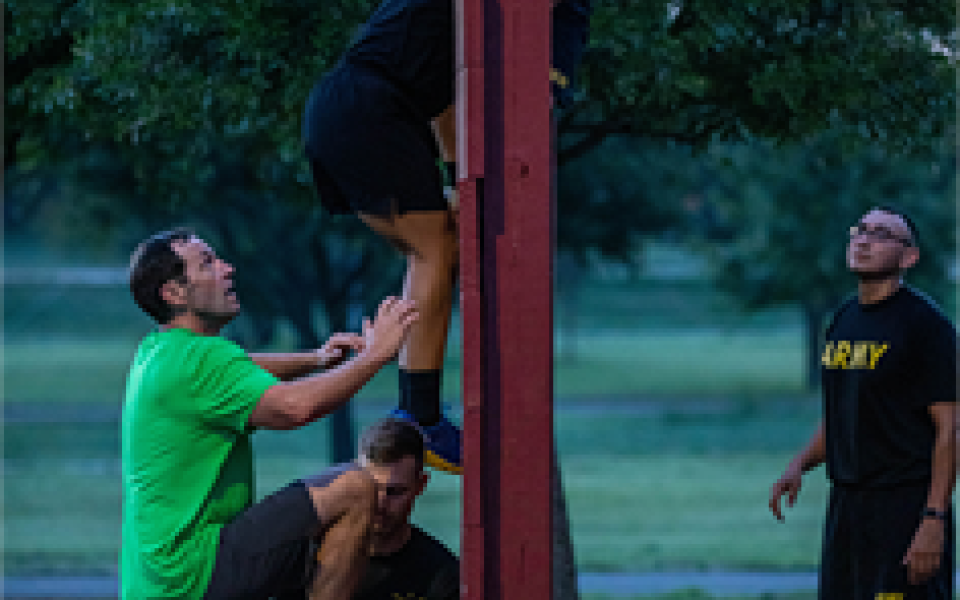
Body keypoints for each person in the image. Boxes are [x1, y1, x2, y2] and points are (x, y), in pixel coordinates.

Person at [303, 0, 592, 475]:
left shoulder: (446, 34)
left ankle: (416, 410)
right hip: (367, 110)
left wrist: (465, 183)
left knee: (438, 247)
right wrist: (547, 81)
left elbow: (445, 104)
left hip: (346, 109)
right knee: (434, 248)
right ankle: (420, 414)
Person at [121, 227, 419, 599]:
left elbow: (244, 369)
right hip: (195, 571)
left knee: (322, 539)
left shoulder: (159, 351)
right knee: (355, 489)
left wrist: (318, 359)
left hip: (157, 581)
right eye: (208, 263)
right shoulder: (202, 358)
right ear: (173, 292)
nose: (228, 269)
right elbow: (294, 409)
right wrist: (375, 356)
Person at [769, 206, 958, 599]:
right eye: (860, 231)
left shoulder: (926, 326)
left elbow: (951, 429)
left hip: (904, 506)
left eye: (881, 234)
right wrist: (800, 463)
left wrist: (934, 518)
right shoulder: (844, 319)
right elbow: (844, 412)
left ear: (909, 257)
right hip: (848, 507)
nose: (865, 240)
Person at [301, 417, 459, 600]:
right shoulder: (308, 557)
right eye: (371, 488)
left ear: (420, 486)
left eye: (395, 492)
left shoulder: (442, 575)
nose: (380, 504)